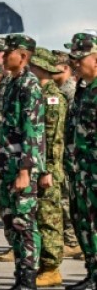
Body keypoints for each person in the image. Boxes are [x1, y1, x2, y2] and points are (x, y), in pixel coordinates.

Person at [0, 34, 45, 290]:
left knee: (24, 224)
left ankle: (28, 279)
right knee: (10, 223)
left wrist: (25, 171)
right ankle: (20, 275)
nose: (3, 57)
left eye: (8, 53)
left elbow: (32, 132)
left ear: (23, 56)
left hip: (20, 166)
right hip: (5, 165)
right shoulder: (9, 84)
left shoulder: (30, 86)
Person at [29, 48, 68, 288]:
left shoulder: (52, 98)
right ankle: (43, 264)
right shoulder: (37, 94)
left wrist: (48, 171)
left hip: (48, 170)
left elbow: (53, 140)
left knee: (49, 218)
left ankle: (52, 267)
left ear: (41, 69)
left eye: (33, 67)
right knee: (38, 217)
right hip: (37, 166)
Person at [65, 32, 97, 290]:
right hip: (80, 173)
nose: (74, 63)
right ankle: (93, 274)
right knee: (84, 225)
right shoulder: (83, 92)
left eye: (79, 58)